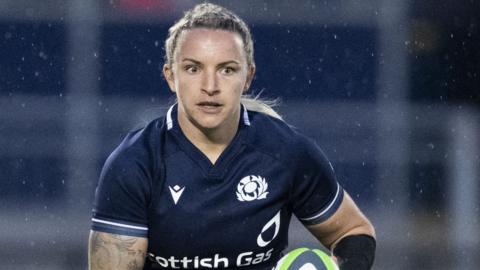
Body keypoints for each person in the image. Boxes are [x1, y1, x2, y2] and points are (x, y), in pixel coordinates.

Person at [88, 3, 376, 270]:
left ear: (248, 77)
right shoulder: (135, 165)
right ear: (170, 76)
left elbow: (353, 232)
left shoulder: (286, 152)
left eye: (227, 70)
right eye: (193, 68)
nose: (210, 86)